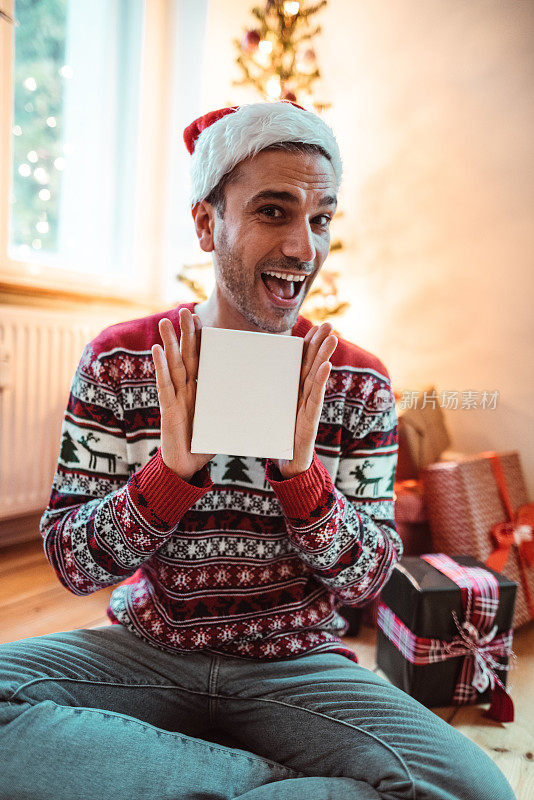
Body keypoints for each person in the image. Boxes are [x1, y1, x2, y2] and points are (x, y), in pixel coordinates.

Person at [0, 102, 515, 800]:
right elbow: (71, 562)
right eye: (274, 211)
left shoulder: (357, 380)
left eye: (322, 217)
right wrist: (169, 477)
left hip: (297, 668)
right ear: (208, 224)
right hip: (149, 654)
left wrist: (303, 482)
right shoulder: (121, 361)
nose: (305, 247)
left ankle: (174, 778)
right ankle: (265, 784)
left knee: (474, 789)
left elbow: (370, 580)